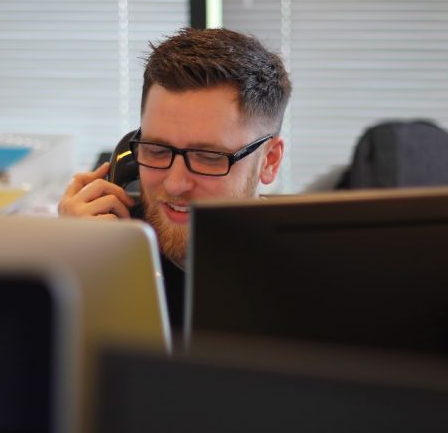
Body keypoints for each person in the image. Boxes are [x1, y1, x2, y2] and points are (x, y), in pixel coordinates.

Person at [58, 27, 291, 331]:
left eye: (208, 157)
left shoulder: (308, 282)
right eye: (156, 150)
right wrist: (69, 263)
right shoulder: (105, 250)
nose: (174, 184)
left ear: (269, 161)